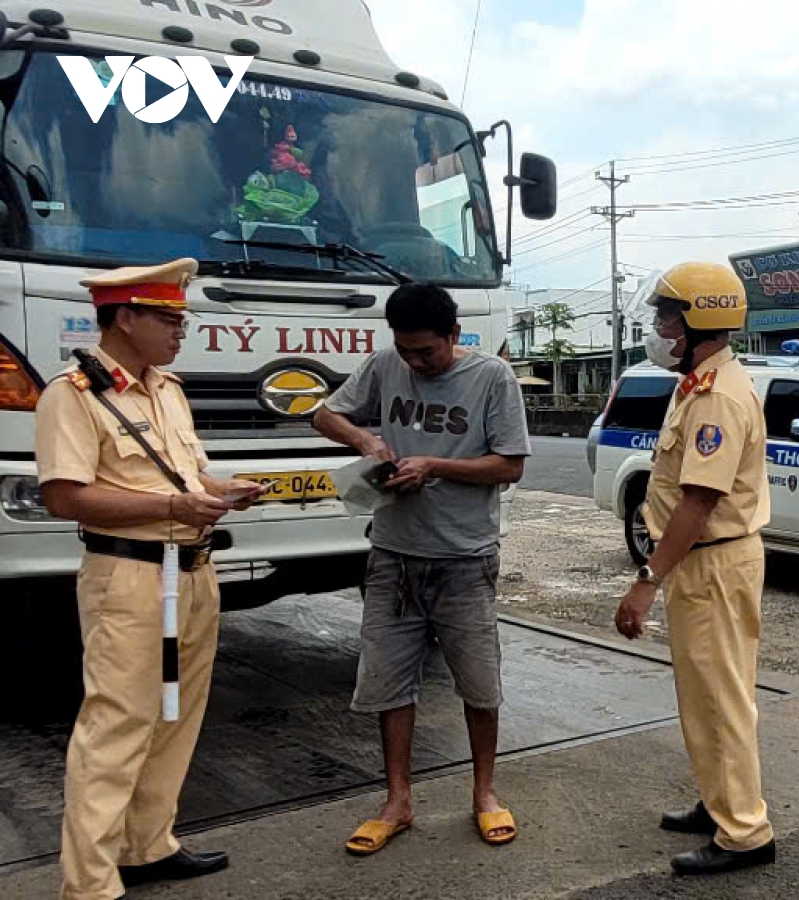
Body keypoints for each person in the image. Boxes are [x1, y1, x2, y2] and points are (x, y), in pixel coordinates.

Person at [35, 258, 263, 900]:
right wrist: (172, 506)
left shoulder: (168, 389)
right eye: (168, 319)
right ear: (125, 318)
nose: (180, 330)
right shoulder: (73, 395)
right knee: (116, 724)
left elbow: (184, 475)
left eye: (181, 320)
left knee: (176, 716)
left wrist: (222, 490)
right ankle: (90, 883)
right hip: (129, 577)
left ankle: (146, 846)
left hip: (192, 572)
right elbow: (64, 496)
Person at [312, 282, 529, 856]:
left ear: (454, 335)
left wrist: (434, 465)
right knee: (387, 682)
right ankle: (398, 801)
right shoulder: (386, 364)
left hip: (464, 558)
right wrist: (366, 441)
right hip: (393, 555)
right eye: (406, 350)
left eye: (427, 352)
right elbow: (324, 414)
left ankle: (484, 793)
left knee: (479, 684)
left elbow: (509, 466)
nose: (415, 363)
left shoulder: (492, 377)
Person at [613, 262, 776, 876]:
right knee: (705, 694)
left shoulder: (717, 399)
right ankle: (720, 801)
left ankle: (745, 833)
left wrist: (646, 581)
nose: (658, 328)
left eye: (666, 317)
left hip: (712, 564)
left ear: (698, 320)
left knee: (719, 699)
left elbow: (698, 502)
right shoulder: (700, 385)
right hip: (706, 564)